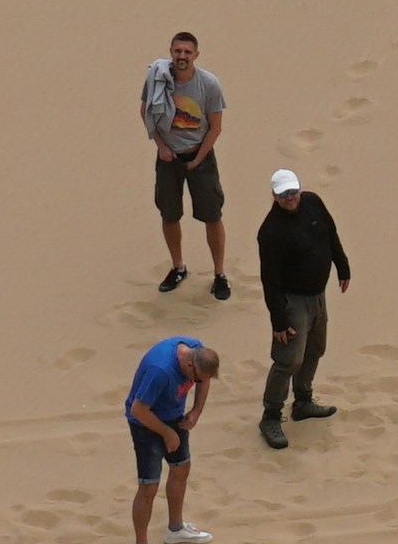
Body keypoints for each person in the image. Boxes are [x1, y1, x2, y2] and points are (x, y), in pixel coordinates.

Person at [253, 164, 352, 446]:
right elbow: (269, 280)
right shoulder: (270, 232)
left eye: (293, 191)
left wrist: (342, 265)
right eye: (284, 194)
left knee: (315, 349)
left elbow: (331, 234)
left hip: (317, 295)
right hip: (292, 301)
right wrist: (279, 321)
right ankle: (271, 415)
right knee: (288, 359)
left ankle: (303, 402)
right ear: (274, 195)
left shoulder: (312, 202)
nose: (290, 197)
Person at [140, 34, 232, 297]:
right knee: (169, 214)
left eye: (187, 52)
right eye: (178, 51)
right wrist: (160, 145)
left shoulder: (209, 84)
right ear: (170, 51)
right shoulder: (157, 78)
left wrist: (198, 158)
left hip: (200, 158)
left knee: (212, 216)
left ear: (196, 55)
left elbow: (215, 128)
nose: (182, 57)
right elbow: (145, 112)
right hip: (168, 159)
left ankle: (219, 273)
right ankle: (178, 267)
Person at [124, 330, 214, 544]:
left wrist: (195, 412)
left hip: (173, 417)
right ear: (187, 365)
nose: (195, 384)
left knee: (181, 469)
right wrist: (166, 432)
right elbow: (138, 410)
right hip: (145, 422)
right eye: (194, 379)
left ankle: (175, 529)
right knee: (149, 485)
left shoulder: (196, 353)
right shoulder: (160, 370)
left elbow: (204, 380)